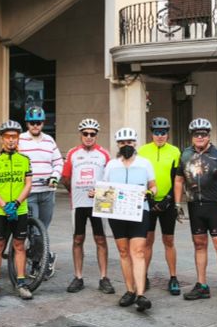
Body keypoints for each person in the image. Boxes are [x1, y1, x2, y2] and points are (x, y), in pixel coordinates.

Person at [174, 118, 217, 309]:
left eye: (203, 134)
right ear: (192, 136)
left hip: (215, 206)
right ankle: (202, 285)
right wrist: (178, 204)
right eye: (196, 134)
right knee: (199, 245)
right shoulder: (185, 155)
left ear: (209, 135)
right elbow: (178, 181)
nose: (200, 137)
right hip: (195, 206)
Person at [104, 127, 157, 312]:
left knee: (139, 252)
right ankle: (129, 290)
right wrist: (96, 193)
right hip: (117, 214)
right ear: (118, 145)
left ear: (135, 143)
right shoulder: (111, 165)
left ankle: (141, 294)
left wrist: (150, 192)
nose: (126, 146)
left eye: (129, 142)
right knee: (124, 252)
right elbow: (105, 188)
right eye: (122, 143)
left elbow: (153, 186)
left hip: (139, 211)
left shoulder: (145, 163)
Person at [61, 118, 114, 295]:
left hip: (99, 203)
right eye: (85, 134)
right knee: (78, 239)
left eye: (92, 134)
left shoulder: (104, 154)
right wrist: (74, 192)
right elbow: (66, 177)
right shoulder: (73, 153)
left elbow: (110, 181)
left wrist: (100, 193)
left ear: (96, 135)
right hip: (79, 203)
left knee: (101, 239)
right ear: (81, 135)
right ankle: (78, 277)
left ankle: (104, 278)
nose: (89, 137)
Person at [0, 120, 34, 302]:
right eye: (8, 137)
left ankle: (21, 283)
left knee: (19, 246)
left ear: (18, 138)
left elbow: (28, 184)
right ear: (2, 139)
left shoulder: (25, 160)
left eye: (14, 137)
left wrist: (16, 202)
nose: (11, 140)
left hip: (19, 210)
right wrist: (5, 205)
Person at [137, 117, 182, 296]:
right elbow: (139, 176)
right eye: (157, 132)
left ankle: (173, 277)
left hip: (167, 203)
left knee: (168, 241)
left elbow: (177, 178)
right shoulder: (142, 151)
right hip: (148, 202)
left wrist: (168, 199)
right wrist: (149, 199)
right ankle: (143, 275)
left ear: (168, 134)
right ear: (152, 133)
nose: (160, 136)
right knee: (147, 241)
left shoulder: (175, 151)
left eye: (163, 133)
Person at [18, 106, 63, 279]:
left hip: (47, 192)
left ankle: (43, 256)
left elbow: (58, 162)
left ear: (43, 123)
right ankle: (40, 262)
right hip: (29, 192)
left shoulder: (49, 141)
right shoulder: (20, 140)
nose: (35, 125)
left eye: (38, 122)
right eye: (32, 122)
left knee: (43, 229)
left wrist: (54, 176)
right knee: (35, 231)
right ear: (27, 123)